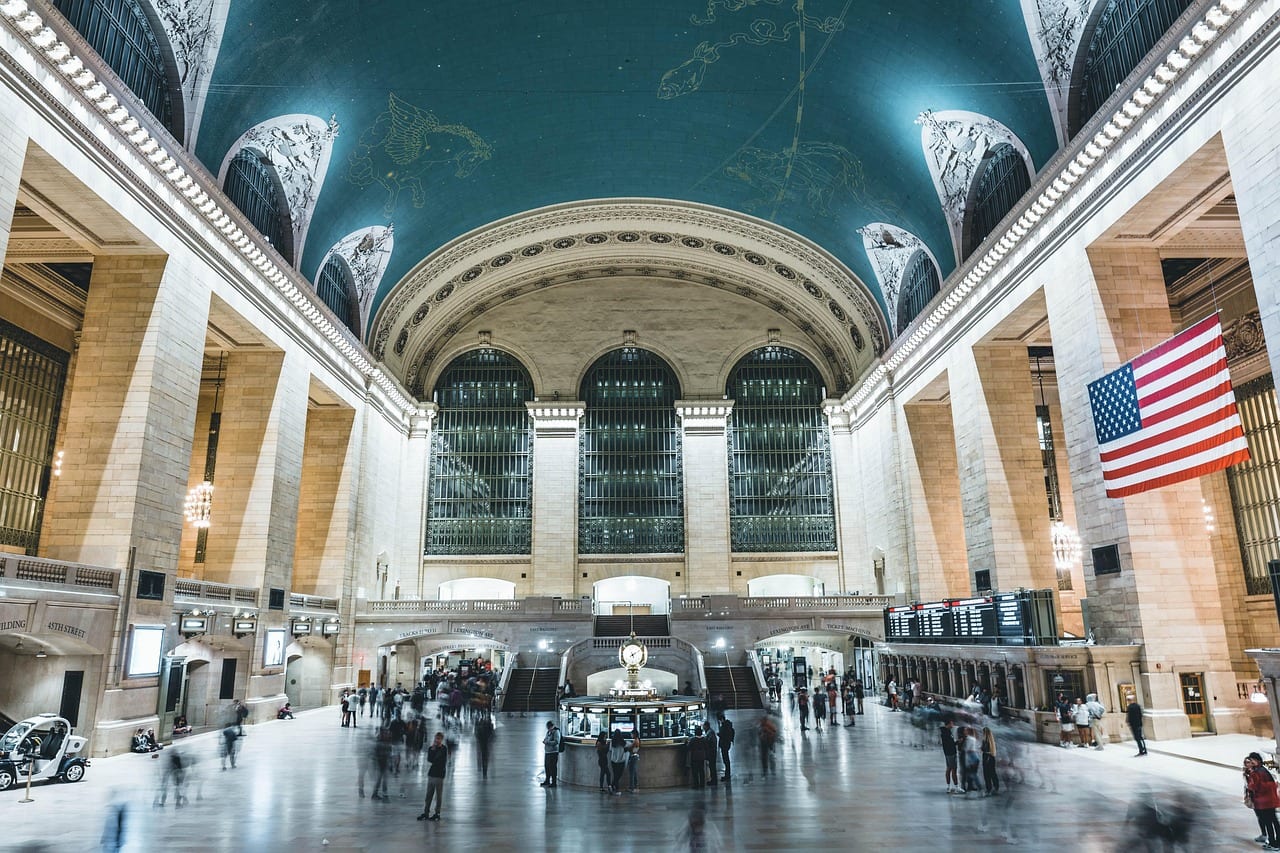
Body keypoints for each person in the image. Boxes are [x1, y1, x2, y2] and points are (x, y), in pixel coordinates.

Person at [1246, 752, 1280, 850]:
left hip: (1265, 802)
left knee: (1269, 823)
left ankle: (1273, 844)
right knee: (1274, 822)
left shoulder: (1258, 772)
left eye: (1252, 760)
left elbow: (1256, 787)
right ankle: (1276, 842)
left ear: (1257, 760)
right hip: (1270, 800)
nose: (1251, 762)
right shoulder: (1263, 770)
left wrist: (1250, 785)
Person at [417, 731, 448, 821]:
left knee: (438, 796)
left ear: (441, 740)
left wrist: (435, 753)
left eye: (439, 739)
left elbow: (441, 761)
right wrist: (433, 750)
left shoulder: (444, 749)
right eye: (436, 738)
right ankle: (426, 812)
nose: (437, 740)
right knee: (428, 795)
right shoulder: (431, 748)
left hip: (439, 775)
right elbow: (430, 759)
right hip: (431, 774)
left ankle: (437, 813)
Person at [940, 719, 960, 794]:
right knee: (953, 769)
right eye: (952, 723)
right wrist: (957, 742)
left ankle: (949, 786)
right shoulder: (946, 733)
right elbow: (949, 744)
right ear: (948, 724)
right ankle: (956, 787)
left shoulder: (946, 732)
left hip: (948, 753)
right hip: (951, 753)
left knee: (949, 769)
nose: (953, 725)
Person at [607, 729, 628, 795]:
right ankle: (616, 789)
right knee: (618, 775)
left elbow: (610, 750)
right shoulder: (623, 742)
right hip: (621, 760)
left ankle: (612, 786)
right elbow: (626, 747)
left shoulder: (612, 742)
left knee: (615, 774)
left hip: (613, 760)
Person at [541, 720, 561, 788]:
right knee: (547, 767)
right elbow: (546, 738)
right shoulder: (548, 732)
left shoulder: (556, 732)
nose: (548, 729)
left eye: (549, 727)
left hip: (553, 752)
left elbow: (557, 741)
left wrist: (548, 742)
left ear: (552, 726)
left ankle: (554, 782)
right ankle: (547, 780)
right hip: (547, 752)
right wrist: (545, 740)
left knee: (553, 767)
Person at [475, 713, 494, 780]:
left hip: (482, 744)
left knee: (483, 756)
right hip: (486, 744)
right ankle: (484, 770)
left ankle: (483, 768)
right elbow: (492, 734)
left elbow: (476, 734)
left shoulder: (479, 726)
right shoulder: (489, 725)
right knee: (485, 757)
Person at [981, 726, 999, 795]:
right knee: (993, 773)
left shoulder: (985, 741)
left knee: (986, 775)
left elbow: (983, 749)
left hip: (986, 758)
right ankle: (996, 786)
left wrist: (981, 748)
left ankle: (988, 789)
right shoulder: (992, 741)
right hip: (992, 757)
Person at [717, 714, 734, 781]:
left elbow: (723, 735)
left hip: (724, 745)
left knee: (726, 760)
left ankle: (727, 775)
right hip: (727, 744)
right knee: (726, 760)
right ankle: (727, 774)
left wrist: (719, 734)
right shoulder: (728, 725)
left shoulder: (724, 726)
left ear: (721, 719)